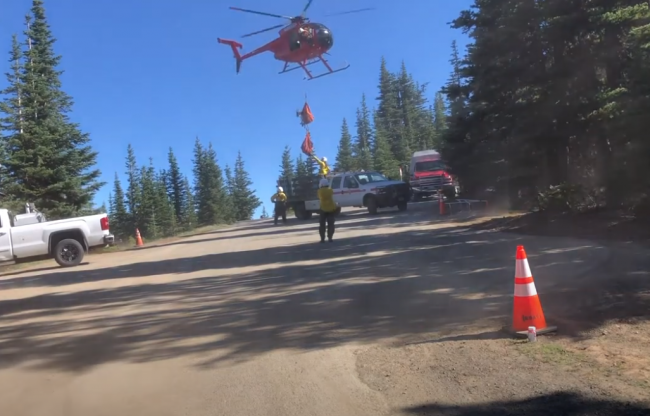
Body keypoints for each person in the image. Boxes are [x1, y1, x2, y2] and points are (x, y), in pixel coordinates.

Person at [317, 178, 337, 243]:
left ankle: (322, 239)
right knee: (331, 224)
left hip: (323, 209)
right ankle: (330, 238)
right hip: (331, 208)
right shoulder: (330, 190)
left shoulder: (319, 191)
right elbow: (331, 193)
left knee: (322, 224)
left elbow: (319, 197)